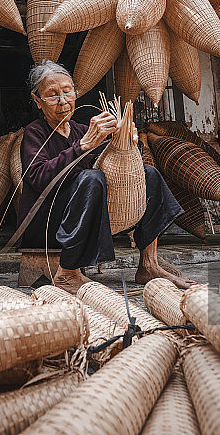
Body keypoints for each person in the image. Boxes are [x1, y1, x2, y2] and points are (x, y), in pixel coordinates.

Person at [18, 60, 196, 294]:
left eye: (67, 91)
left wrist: (126, 144)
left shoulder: (83, 130)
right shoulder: (34, 133)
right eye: (51, 95)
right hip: (45, 222)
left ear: (75, 93)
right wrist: (81, 147)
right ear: (37, 101)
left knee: (147, 174)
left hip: (85, 217)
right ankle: (67, 274)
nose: (62, 101)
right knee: (91, 178)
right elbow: (38, 177)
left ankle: (149, 265)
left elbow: (111, 165)